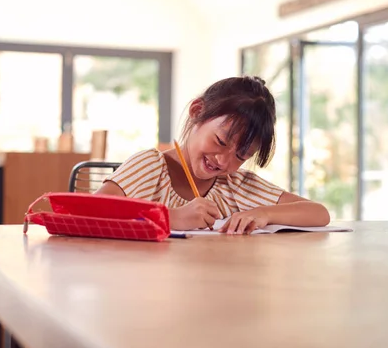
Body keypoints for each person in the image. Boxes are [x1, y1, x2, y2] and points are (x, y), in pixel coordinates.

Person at [97, 76, 330, 234]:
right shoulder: (150, 167)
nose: (224, 161)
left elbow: (319, 213)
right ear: (197, 112)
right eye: (220, 141)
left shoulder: (236, 186)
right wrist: (170, 218)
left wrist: (264, 213)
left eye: (241, 155)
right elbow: (91, 211)